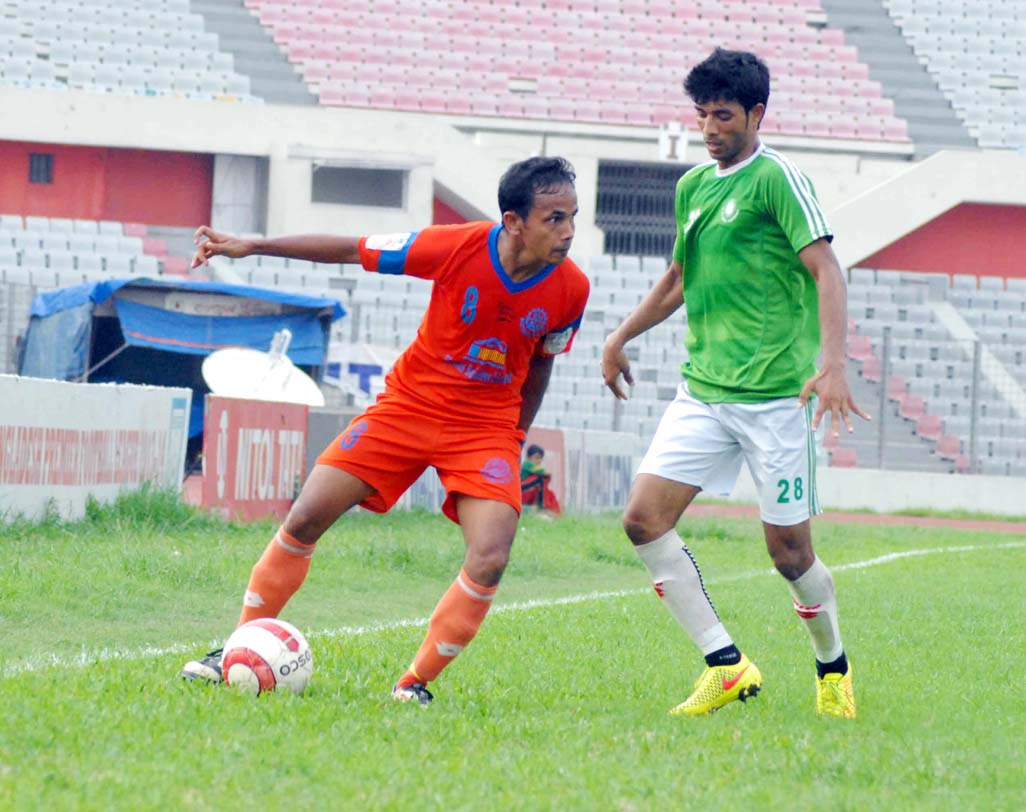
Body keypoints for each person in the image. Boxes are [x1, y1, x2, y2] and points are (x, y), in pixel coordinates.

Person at [181, 156, 589, 705]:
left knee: (491, 554)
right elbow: (353, 247)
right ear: (513, 221)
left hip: (484, 429)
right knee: (305, 517)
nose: (567, 233)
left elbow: (542, 364)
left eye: (572, 218)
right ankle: (234, 648)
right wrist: (253, 246)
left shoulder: (573, 289)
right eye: (554, 219)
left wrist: (514, 436)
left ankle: (413, 684)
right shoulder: (453, 247)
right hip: (406, 408)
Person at [601, 48, 869, 719]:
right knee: (642, 519)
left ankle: (831, 667)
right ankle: (726, 665)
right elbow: (676, 281)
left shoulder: (777, 178)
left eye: (723, 115)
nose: (710, 127)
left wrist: (832, 363)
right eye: (702, 115)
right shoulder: (694, 186)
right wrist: (619, 335)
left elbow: (826, 269)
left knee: (788, 552)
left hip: (777, 400)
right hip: (705, 393)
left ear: (756, 113)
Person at [519, 443, 550, 510]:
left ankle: (536, 506)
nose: (539, 460)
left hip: (524, 487)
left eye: (541, 458)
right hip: (520, 487)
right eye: (536, 457)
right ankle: (540, 506)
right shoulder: (527, 464)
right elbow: (542, 471)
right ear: (529, 457)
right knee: (540, 479)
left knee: (540, 481)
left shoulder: (529, 465)